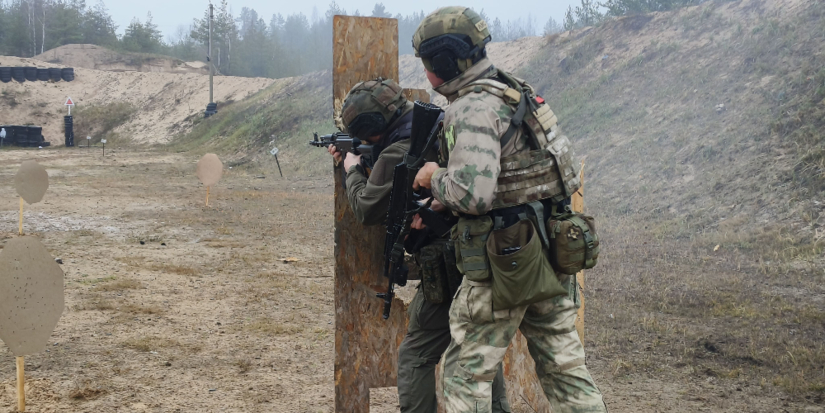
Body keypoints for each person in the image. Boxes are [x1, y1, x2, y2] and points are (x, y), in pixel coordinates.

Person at [411, 6, 608, 413]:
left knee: (465, 374)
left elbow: (474, 196)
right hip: (550, 249)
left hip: (505, 259)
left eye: (428, 64)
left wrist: (434, 177)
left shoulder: (473, 107)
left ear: (445, 62)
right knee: (565, 368)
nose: (428, 73)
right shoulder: (516, 91)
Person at [329, 78, 510, 413]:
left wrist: (351, 168)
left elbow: (366, 209)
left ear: (372, 129)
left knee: (417, 354)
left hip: (451, 258)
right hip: (487, 249)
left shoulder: (397, 152)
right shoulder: (437, 123)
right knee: (478, 345)